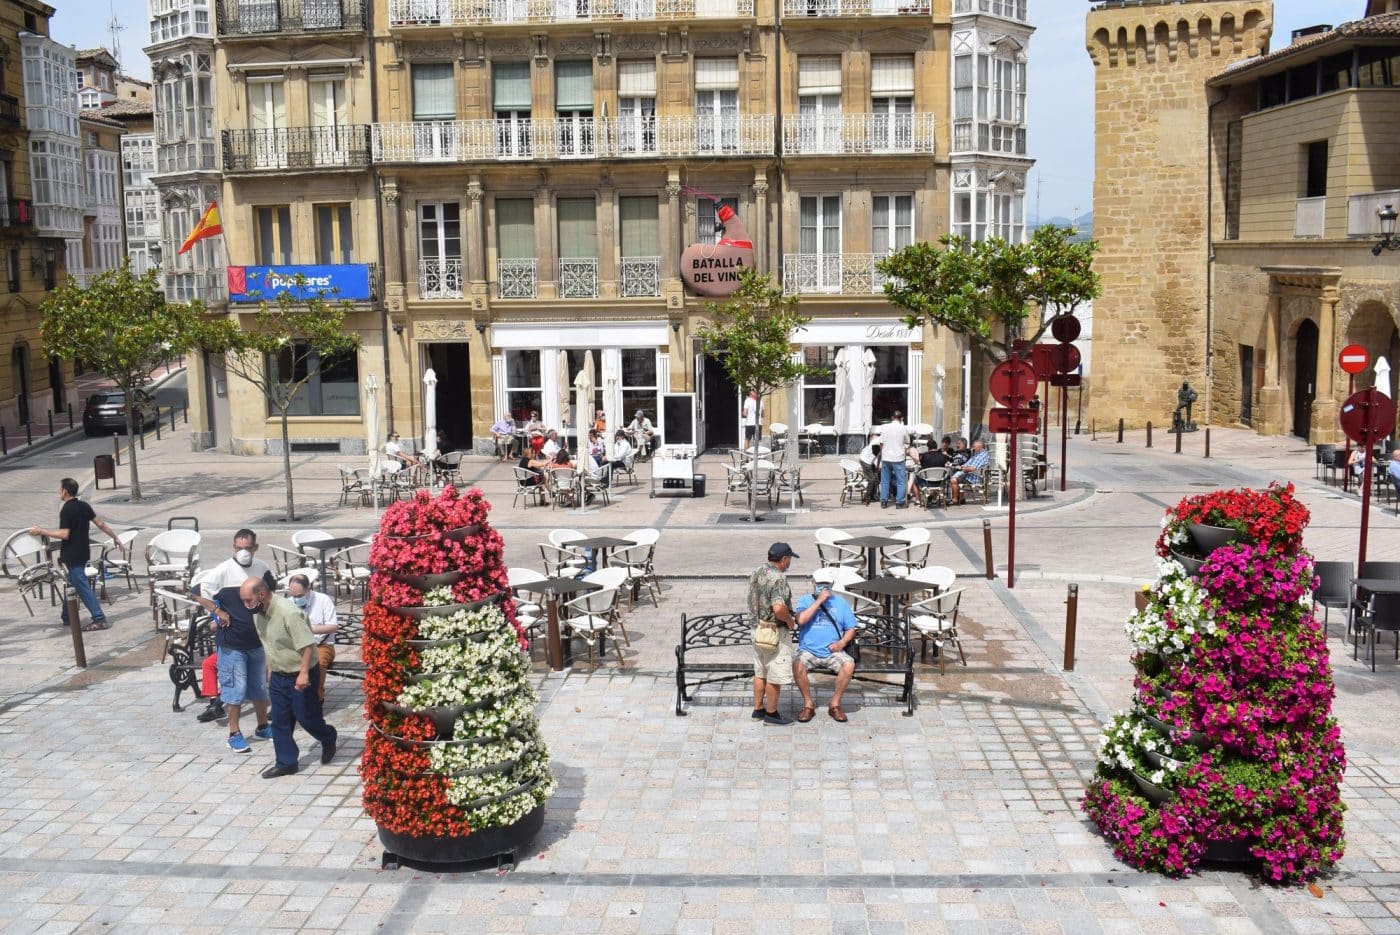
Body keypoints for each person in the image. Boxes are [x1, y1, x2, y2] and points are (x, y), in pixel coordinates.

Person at [188, 529, 278, 753]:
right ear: (233, 548)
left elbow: (272, 593)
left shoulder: (262, 568)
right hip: (231, 643)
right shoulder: (223, 571)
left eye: (247, 548)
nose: (243, 552)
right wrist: (217, 612)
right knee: (234, 690)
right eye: (239, 548)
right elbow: (197, 592)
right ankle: (234, 732)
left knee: (259, 688)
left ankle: (262, 726)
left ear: (255, 548)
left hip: (257, 641)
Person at [240, 577, 337, 779]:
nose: (245, 605)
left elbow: (308, 646)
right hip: (278, 673)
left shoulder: (289, 613)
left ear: (261, 594)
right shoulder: (258, 614)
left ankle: (328, 736)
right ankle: (287, 762)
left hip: (301, 672)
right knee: (279, 719)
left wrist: (303, 674)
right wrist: (269, 669)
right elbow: (269, 644)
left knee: (306, 717)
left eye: (248, 600)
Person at [28, 478, 119, 632]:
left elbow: (64, 534)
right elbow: (101, 524)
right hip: (83, 551)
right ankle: (67, 616)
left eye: (60, 489)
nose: (59, 492)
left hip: (72, 553)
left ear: (65, 491)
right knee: (71, 583)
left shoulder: (67, 509)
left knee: (82, 586)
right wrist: (115, 537)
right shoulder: (84, 506)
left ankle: (99, 618)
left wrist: (42, 531)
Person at [747, 542, 800, 726]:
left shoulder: (757, 571)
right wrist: (790, 622)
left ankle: (758, 709)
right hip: (774, 633)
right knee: (774, 675)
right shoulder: (778, 579)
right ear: (784, 559)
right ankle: (771, 714)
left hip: (757, 630)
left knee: (760, 671)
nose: (790, 563)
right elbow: (778, 609)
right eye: (789, 559)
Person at [791, 583, 859, 723]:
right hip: (808, 649)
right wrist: (819, 601)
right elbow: (801, 620)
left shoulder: (840, 602)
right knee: (797, 664)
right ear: (813, 583)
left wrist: (842, 643)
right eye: (820, 584)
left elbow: (851, 629)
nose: (823, 587)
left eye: (826, 584)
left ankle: (835, 704)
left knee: (849, 665)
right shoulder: (805, 600)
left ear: (832, 584)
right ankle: (808, 704)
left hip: (833, 650)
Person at [287, 574, 337, 701]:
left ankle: (316, 698)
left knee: (317, 664)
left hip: (322, 645)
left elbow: (332, 627)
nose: (296, 599)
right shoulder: (289, 603)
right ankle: (287, 701)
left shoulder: (323, 600)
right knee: (284, 662)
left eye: (299, 595)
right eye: (293, 596)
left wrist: (308, 629)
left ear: (308, 588)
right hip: (298, 646)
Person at [876, 411, 911, 509]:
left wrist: (883, 454)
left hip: (886, 457)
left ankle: (884, 501)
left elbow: (881, 443)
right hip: (898, 458)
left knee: (885, 481)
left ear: (892, 417)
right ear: (901, 418)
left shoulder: (884, 427)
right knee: (901, 481)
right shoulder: (903, 428)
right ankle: (900, 502)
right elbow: (907, 442)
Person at [950, 439, 990, 504]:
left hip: (974, 478)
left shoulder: (981, 456)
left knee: (953, 480)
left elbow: (972, 468)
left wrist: (962, 468)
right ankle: (961, 498)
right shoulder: (977, 454)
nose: (972, 448)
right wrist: (960, 467)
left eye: (974, 446)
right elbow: (967, 464)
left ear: (979, 447)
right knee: (957, 475)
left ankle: (955, 500)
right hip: (972, 475)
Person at [857, 437, 882, 505]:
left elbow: (879, 456)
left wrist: (878, 466)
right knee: (872, 479)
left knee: (876, 478)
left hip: (870, 461)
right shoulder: (876, 443)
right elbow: (877, 454)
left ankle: (872, 495)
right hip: (865, 461)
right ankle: (866, 497)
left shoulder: (881, 442)